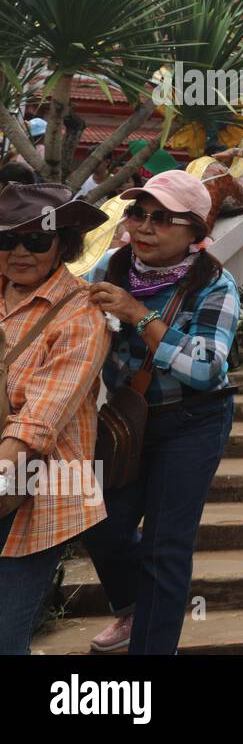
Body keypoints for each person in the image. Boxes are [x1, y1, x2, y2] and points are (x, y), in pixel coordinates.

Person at [81, 170, 241, 654]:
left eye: (163, 218)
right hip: (125, 421)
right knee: (100, 523)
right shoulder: (109, 265)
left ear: (195, 231)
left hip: (191, 421)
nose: (144, 227)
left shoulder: (216, 283)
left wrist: (138, 315)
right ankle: (131, 607)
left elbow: (206, 368)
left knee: (164, 547)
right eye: (138, 213)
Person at [0, 185, 111, 654]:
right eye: (7, 240)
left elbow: (38, 421)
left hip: (36, 492)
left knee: (6, 635)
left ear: (63, 244)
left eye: (37, 241)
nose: (20, 251)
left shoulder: (81, 312)